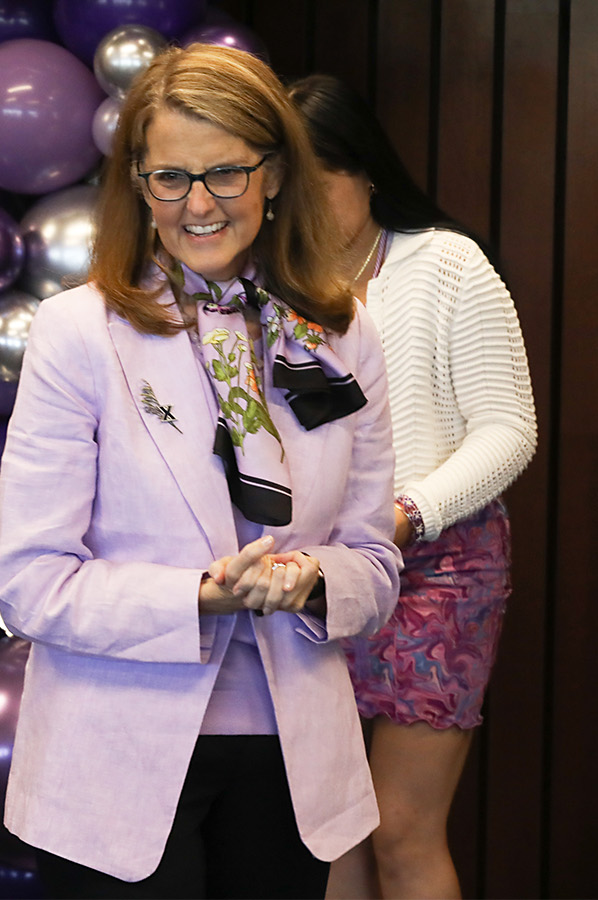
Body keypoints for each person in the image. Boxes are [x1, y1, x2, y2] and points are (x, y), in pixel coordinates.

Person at [0, 45, 402, 898]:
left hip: (291, 770)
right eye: (169, 178)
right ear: (137, 184)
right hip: (114, 765)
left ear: (275, 174)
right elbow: (28, 581)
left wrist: (312, 578)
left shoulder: (344, 334)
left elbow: (373, 562)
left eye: (224, 173)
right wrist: (199, 596)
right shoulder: (80, 332)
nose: (199, 205)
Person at [289, 75, 537, 900]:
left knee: (399, 827)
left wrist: (407, 512)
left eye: (313, 180)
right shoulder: (263, 286)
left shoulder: (445, 263)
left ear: (363, 170)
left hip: (441, 562)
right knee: (328, 828)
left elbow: (508, 431)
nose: (298, 205)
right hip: (316, 573)